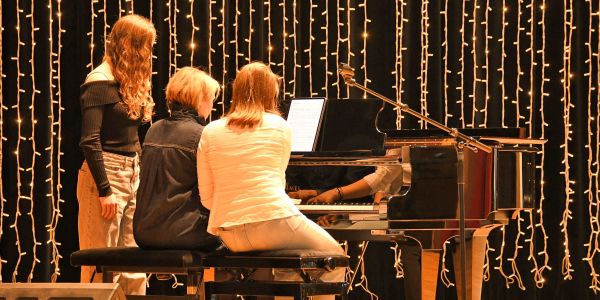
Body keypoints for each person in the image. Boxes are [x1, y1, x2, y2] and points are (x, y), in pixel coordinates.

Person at [197, 62, 345, 299]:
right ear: (270, 93)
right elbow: (278, 182)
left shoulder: (210, 130)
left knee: (290, 261)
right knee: (335, 258)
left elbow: (207, 198)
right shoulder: (280, 126)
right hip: (273, 222)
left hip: (228, 232)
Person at [77, 14, 155, 295]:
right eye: (144, 46)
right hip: (106, 173)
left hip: (131, 172)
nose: (147, 54)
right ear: (126, 44)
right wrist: (104, 189)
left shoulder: (127, 82)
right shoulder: (100, 80)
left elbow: (133, 138)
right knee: (102, 264)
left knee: (134, 264)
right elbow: (89, 140)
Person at [133, 67, 222, 252]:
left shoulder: (153, 129)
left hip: (144, 233)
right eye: (211, 100)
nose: (211, 106)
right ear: (199, 99)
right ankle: (208, 281)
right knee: (234, 238)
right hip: (185, 234)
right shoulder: (203, 135)